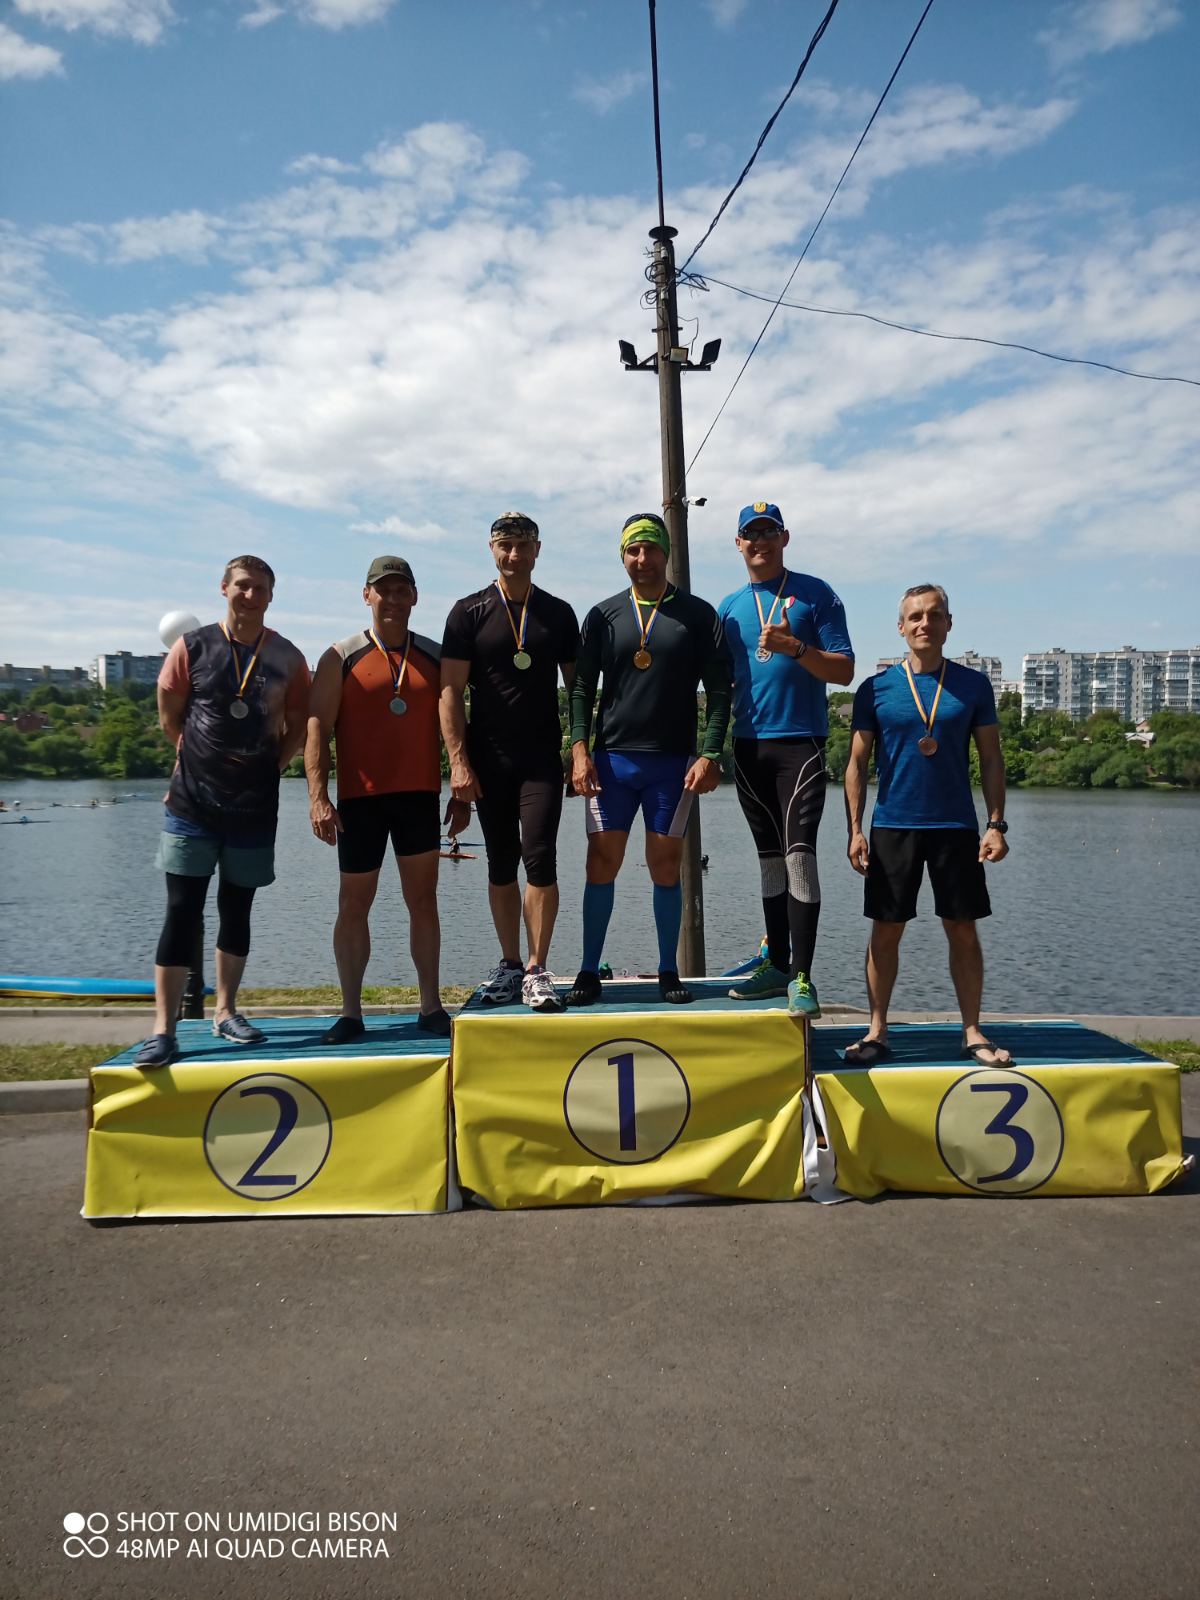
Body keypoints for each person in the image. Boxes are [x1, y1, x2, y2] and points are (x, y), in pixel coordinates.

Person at [134, 555, 310, 1068]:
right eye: (242, 586)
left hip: (253, 807)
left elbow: (298, 724)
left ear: (271, 596)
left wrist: (272, 767)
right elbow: (170, 716)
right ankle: (163, 1029)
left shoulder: (287, 656)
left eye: (260, 589)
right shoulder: (192, 647)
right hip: (191, 805)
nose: (250, 596)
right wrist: (196, 760)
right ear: (224, 588)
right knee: (181, 910)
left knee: (238, 910)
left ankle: (226, 1011)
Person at [844, 584, 1013, 1065]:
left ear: (948, 624)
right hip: (893, 824)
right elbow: (856, 763)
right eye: (915, 616)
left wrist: (996, 824)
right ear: (901, 627)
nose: (925, 623)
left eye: (934, 615)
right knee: (886, 929)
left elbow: (991, 757)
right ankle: (877, 1031)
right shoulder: (875, 689)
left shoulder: (973, 686)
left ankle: (972, 1031)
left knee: (962, 928)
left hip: (955, 826)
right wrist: (855, 830)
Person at [567, 512, 732, 1006]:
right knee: (601, 863)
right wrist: (578, 750)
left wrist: (710, 751)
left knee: (665, 866)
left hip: (672, 765)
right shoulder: (602, 615)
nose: (643, 559)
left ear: (666, 553)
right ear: (623, 557)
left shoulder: (698, 615)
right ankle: (588, 970)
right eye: (633, 550)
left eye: (651, 549)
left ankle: (667, 969)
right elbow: (581, 687)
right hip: (610, 763)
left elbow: (719, 690)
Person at [306, 556, 467, 1043]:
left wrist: (463, 792)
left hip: (419, 795)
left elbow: (457, 725)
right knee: (354, 904)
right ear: (366, 595)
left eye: (402, 591)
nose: (393, 599)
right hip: (361, 800)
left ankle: (430, 1006)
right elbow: (317, 727)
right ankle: (350, 1012)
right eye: (383, 590)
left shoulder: (436, 656)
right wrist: (317, 796)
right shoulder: (340, 656)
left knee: (424, 901)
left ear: (414, 597)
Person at [717, 502, 854, 1016]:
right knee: (770, 861)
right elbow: (718, 683)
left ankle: (802, 976)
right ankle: (775, 965)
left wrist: (795, 647)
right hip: (749, 746)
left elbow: (844, 671)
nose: (760, 542)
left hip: (801, 744)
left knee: (800, 856)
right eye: (750, 534)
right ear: (738, 543)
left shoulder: (816, 594)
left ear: (784, 538)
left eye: (769, 532)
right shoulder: (729, 607)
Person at [440, 510, 579, 1011]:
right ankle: (510, 964)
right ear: (492, 549)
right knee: (501, 861)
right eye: (505, 545)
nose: (514, 554)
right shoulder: (468, 612)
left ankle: (538, 969)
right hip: (489, 759)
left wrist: (579, 750)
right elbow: (449, 692)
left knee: (540, 856)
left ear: (537, 550)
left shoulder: (558, 613)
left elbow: (578, 688)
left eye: (523, 545)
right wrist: (459, 764)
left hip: (541, 758)